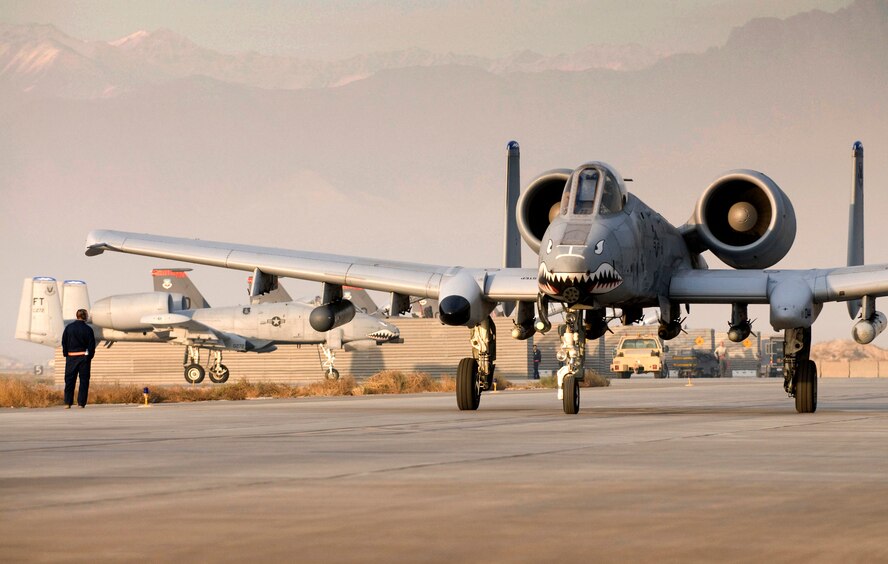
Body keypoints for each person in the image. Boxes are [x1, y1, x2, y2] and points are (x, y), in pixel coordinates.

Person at [62, 309, 97, 408]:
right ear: (85, 316)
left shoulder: (68, 328)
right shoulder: (88, 329)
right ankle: (81, 403)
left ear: (77, 316)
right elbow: (91, 345)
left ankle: (68, 403)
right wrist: (89, 356)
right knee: (84, 381)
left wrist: (66, 354)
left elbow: (64, 341)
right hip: (84, 358)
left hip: (71, 357)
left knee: (69, 381)